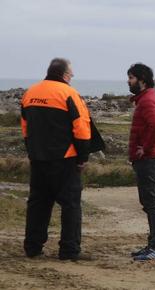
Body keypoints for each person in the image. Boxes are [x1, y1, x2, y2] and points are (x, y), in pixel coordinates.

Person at [21, 58, 93, 261]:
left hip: (38, 158)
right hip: (65, 159)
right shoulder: (69, 93)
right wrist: (83, 157)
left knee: (38, 203)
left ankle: (32, 247)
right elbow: (81, 127)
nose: (72, 77)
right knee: (70, 205)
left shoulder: (30, 93)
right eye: (71, 74)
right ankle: (69, 250)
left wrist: (32, 151)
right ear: (63, 74)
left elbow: (25, 127)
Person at [127, 63, 155, 261]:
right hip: (150, 158)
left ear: (142, 80)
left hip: (150, 159)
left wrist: (146, 148)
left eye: (132, 78)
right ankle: (152, 245)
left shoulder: (147, 101)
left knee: (152, 204)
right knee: (149, 203)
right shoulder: (147, 98)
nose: (129, 81)